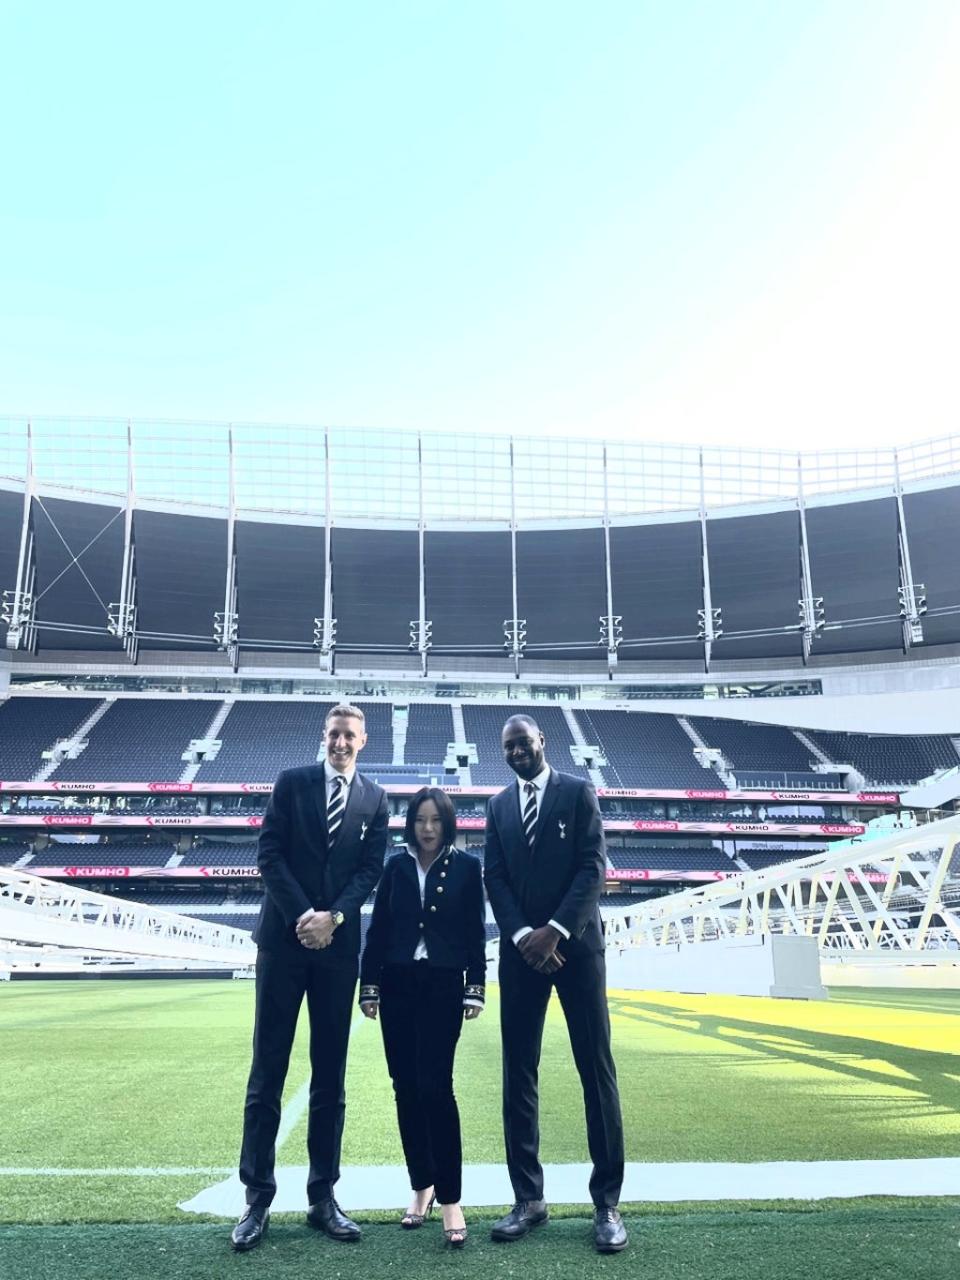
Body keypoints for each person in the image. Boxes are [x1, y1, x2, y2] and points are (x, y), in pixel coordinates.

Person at [231, 703, 389, 1252]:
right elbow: (269, 856)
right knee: (267, 1070)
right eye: (333, 734)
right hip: (283, 942)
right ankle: (257, 1200)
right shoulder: (291, 783)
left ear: (363, 741)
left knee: (331, 1076)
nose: (340, 742)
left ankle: (323, 1197)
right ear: (323, 737)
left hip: (338, 950)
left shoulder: (374, 798)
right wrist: (306, 917)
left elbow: (370, 868)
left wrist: (336, 917)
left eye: (349, 735)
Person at [484, 714, 628, 1254]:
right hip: (522, 955)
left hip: (578, 949)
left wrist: (555, 932)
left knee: (596, 1067)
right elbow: (493, 877)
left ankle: (607, 1202)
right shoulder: (498, 807)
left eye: (524, 743)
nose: (517, 751)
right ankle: (529, 1198)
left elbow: (593, 868)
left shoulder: (578, 792)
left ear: (542, 742)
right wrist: (525, 934)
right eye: (508, 746)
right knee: (518, 1072)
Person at [359, 787, 486, 1248]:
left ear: (447, 822)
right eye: (419, 820)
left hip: (443, 985)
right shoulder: (395, 866)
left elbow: (475, 930)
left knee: (436, 1088)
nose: (427, 828)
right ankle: (421, 1187)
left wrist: (476, 987)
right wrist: (368, 985)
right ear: (409, 823)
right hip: (396, 985)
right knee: (405, 1089)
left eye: (435, 820)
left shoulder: (469, 868)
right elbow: (379, 928)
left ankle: (451, 1198)